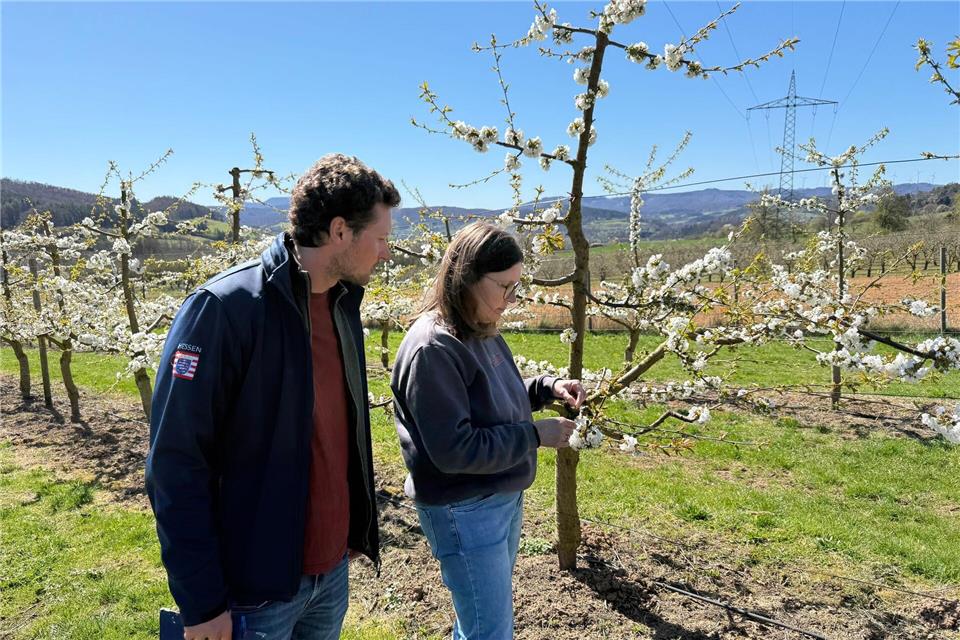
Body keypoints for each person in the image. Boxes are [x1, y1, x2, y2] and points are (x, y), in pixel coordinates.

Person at [146, 153, 400, 640]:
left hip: (330, 576)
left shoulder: (344, 305)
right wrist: (201, 602)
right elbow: (176, 462)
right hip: (253, 592)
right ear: (341, 231)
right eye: (382, 238)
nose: (386, 253)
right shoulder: (225, 309)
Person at [390, 221, 584, 640]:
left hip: (497, 499)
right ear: (466, 277)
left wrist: (545, 388)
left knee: (478, 624)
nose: (511, 300)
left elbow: (498, 396)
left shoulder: (480, 329)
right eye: (504, 286)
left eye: (517, 287)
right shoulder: (433, 349)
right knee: (488, 632)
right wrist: (535, 436)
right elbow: (455, 449)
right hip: (465, 509)